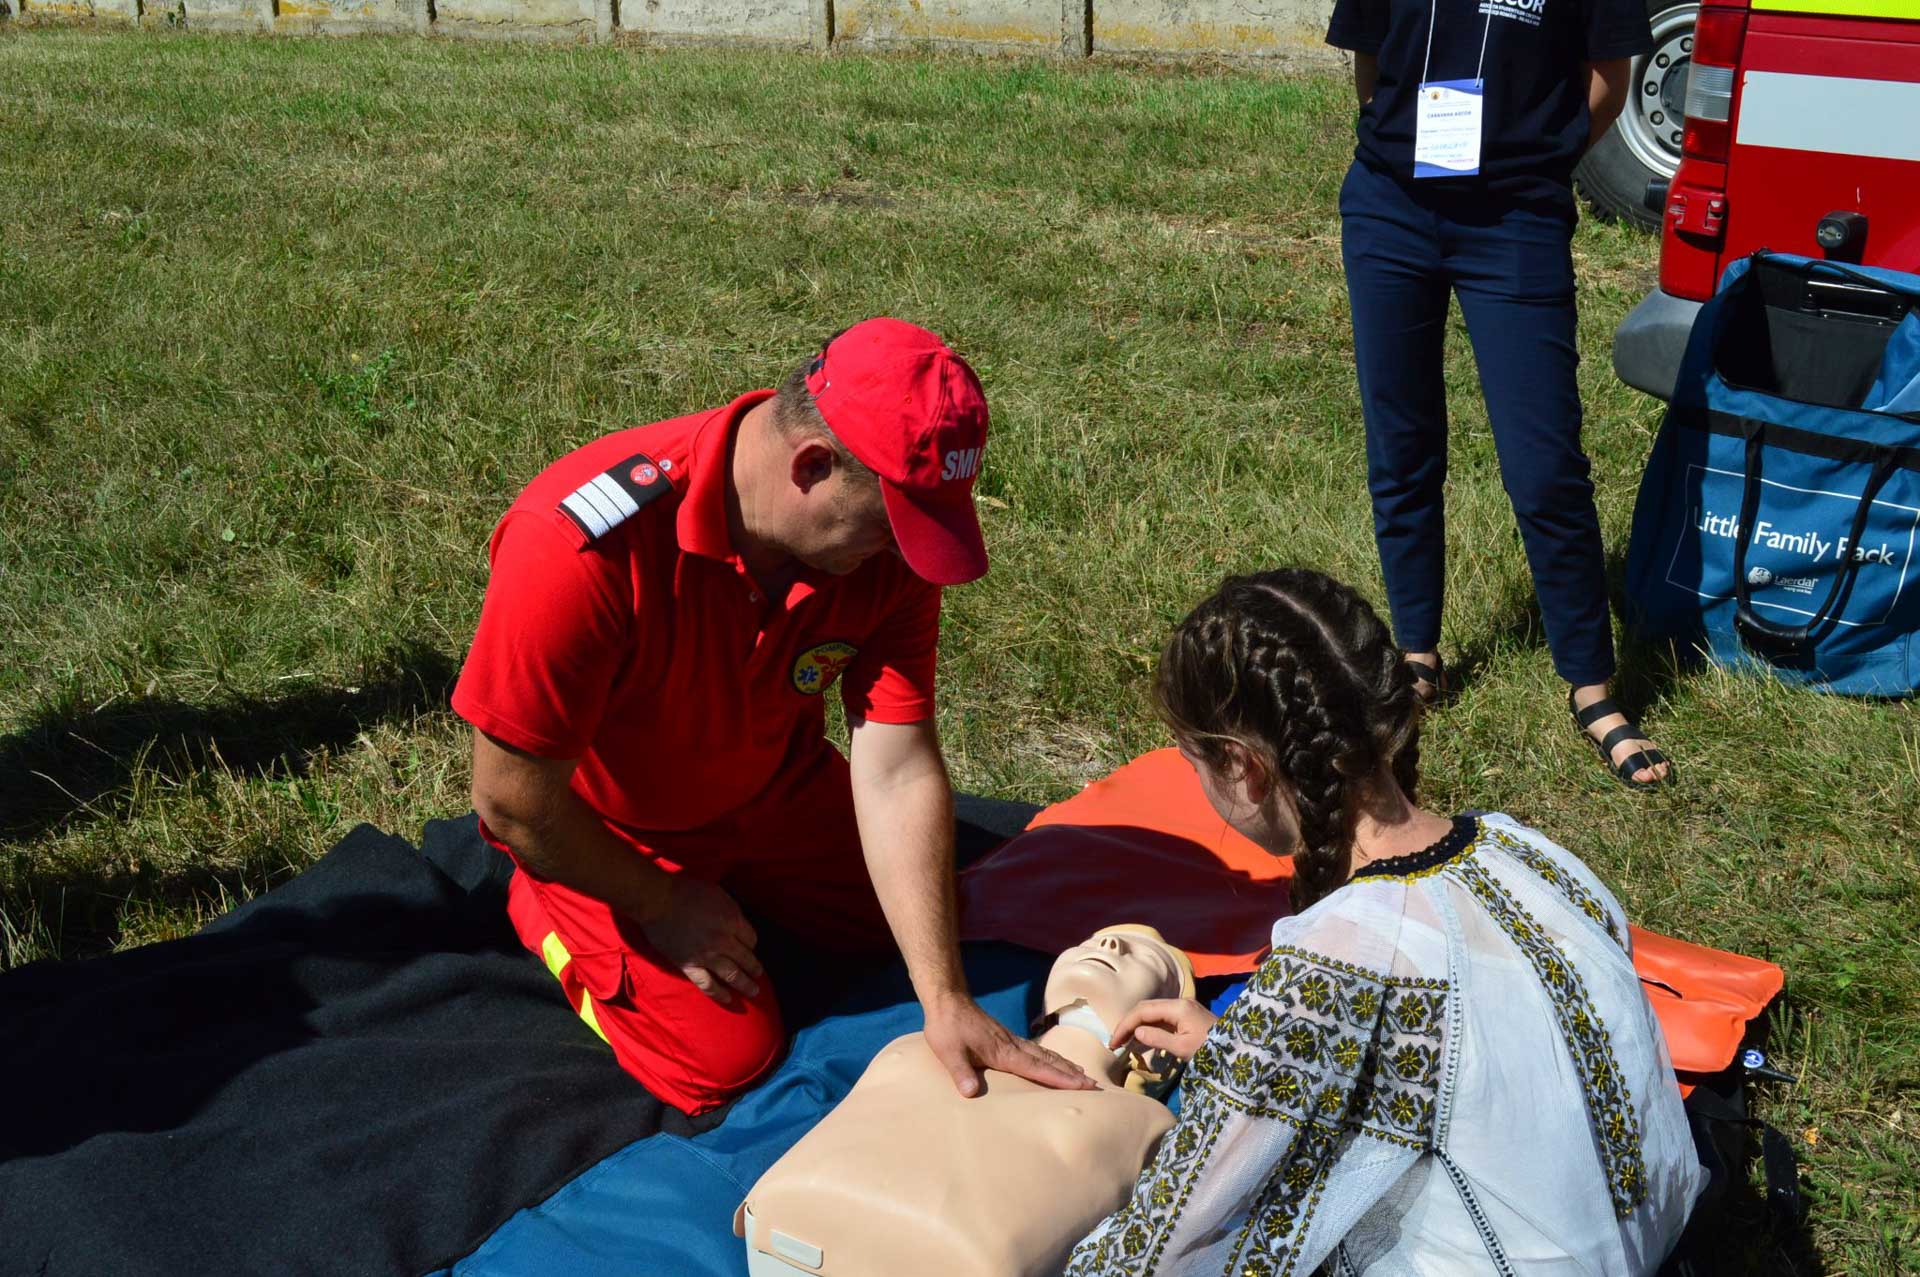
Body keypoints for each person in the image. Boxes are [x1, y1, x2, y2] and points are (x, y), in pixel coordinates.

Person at [451, 318, 1092, 1116]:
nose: (905, 556)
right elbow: (510, 796)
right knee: (725, 1061)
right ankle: (543, 902)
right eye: (893, 527)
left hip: (771, 787)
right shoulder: (579, 548)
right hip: (614, 828)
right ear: (812, 466)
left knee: (932, 925)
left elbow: (896, 762)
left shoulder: (886, 547)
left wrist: (946, 998)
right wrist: (658, 900)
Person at [1067, 568, 1704, 1275]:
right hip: (1658, 1241)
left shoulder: (1336, 960)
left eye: (1194, 763)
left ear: (1245, 768)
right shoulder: (1525, 847)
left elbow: (1166, 1235)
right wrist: (1238, 1051)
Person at [1327, 0, 1673, 789]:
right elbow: (1371, 65)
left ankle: (1593, 686)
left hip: (1515, 220)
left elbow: (1608, 84)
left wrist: (1528, 160)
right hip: (1392, 208)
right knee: (1402, 439)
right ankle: (1415, 654)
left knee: (1544, 463)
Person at [737, 925, 1196, 1277]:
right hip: (790, 1227)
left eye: (1144, 959)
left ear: (1161, 1045)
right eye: (1095, 939)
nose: (1110, 946)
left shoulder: (1144, 1120)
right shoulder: (919, 1045)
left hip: (943, 1257)